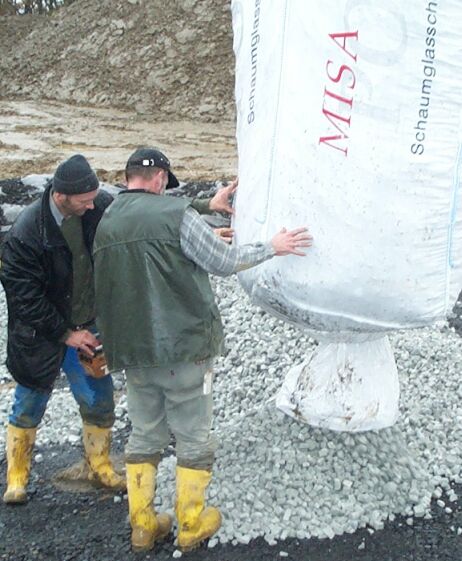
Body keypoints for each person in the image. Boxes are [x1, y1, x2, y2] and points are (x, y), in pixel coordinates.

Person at [93, 147, 313, 552]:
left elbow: (149, 234)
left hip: (132, 354)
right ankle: (191, 522)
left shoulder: (106, 219)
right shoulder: (178, 216)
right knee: (193, 434)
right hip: (183, 348)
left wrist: (203, 208)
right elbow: (223, 261)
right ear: (160, 178)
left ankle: (142, 525)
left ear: (129, 178)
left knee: (144, 434)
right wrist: (273, 246)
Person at [0, 154, 126, 503]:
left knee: (99, 399)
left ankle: (99, 466)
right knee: (29, 401)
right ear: (61, 196)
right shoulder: (27, 232)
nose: (92, 205)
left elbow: (136, 216)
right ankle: (17, 478)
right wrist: (66, 334)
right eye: (84, 200)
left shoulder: (96, 205)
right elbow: (24, 298)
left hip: (88, 325)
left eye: (94, 197)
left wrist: (203, 206)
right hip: (41, 336)